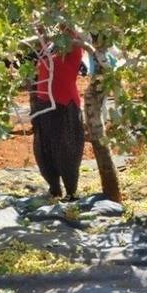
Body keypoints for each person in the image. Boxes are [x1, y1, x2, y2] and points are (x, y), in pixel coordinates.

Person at [30, 36, 85, 201]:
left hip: (64, 105)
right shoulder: (48, 47)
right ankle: (54, 189)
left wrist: (61, 13)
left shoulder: (73, 48)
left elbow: (70, 31)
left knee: (67, 150)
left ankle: (71, 193)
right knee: (44, 151)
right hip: (43, 106)